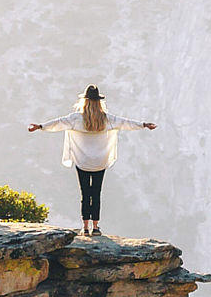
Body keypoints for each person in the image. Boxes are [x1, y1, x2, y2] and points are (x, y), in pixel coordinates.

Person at [29, 86, 156, 235]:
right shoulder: (107, 119)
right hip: (99, 162)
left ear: (85, 101)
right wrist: (144, 125)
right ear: (99, 102)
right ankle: (95, 227)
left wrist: (41, 126)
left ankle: (85, 227)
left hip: (82, 161)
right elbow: (125, 123)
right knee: (96, 193)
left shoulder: (76, 118)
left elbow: (58, 123)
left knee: (85, 193)